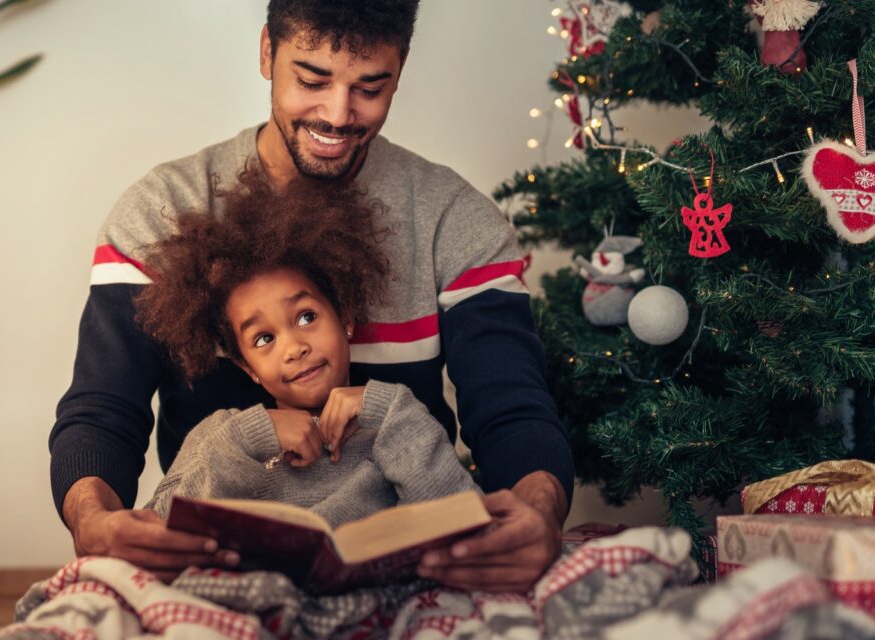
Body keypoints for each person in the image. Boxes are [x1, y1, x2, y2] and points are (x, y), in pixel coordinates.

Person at [51, 0, 573, 593]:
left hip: (402, 567)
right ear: (267, 52)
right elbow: (101, 413)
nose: (337, 114)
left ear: (400, 69)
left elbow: (511, 409)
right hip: (216, 570)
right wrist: (94, 522)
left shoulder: (456, 223)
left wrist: (539, 510)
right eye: (312, 79)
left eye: (370, 87)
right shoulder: (158, 215)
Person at [135, 170, 479, 532]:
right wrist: (249, 436)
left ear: (345, 317)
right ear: (247, 367)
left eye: (306, 317)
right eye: (264, 339)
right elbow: (157, 527)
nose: (295, 348)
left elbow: (462, 520)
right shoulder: (224, 437)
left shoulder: (394, 421)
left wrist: (385, 409)